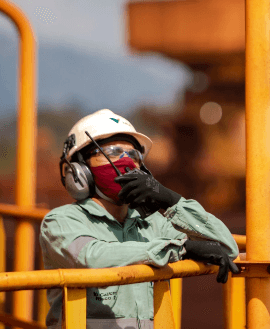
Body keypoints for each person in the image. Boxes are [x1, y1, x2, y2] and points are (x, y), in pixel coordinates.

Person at [39, 108, 239, 329]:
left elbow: (226, 248)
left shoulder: (152, 223)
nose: (127, 161)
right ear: (79, 170)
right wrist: (180, 248)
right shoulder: (60, 221)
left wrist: (171, 201)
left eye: (134, 155)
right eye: (113, 151)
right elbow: (92, 258)